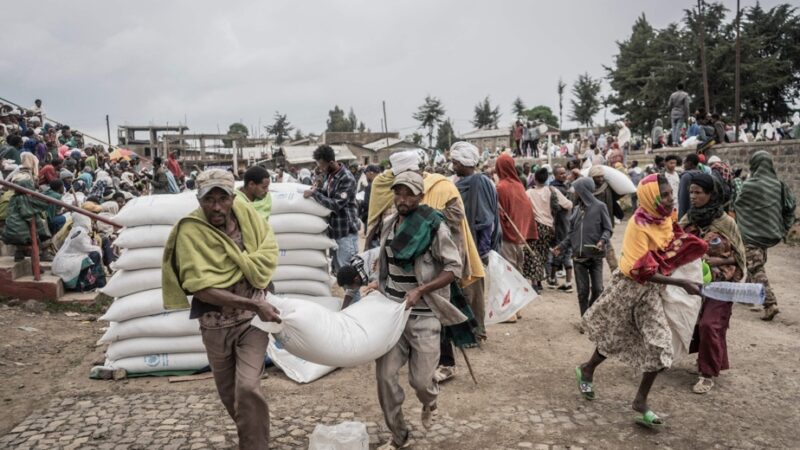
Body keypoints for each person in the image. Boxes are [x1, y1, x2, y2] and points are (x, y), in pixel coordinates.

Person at [576, 174, 707, 429]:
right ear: (650, 198)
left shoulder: (666, 218)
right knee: (614, 337)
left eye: (671, 193)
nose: (670, 200)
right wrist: (682, 283)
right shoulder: (638, 224)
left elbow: (671, 243)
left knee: (660, 345)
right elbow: (640, 270)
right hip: (628, 287)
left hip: (650, 292)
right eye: (664, 195)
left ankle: (640, 401)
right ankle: (588, 369)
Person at [162, 169, 280, 450]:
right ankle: (251, 438)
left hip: (252, 323)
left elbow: (267, 249)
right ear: (199, 199)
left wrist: (257, 302)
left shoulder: (247, 218)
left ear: (232, 197)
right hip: (215, 326)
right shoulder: (191, 231)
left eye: (223, 198)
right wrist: (255, 303)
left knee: (248, 388)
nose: (217, 207)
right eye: (209, 199)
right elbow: (200, 288)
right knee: (231, 398)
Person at [374, 171, 465, 450]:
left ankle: (429, 402)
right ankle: (399, 435)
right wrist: (375, 284)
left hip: (425, 315)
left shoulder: (434, 227)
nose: (402, 199)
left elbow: (454, 269)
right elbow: (386, 265)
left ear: (420, 197)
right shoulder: (388, 225)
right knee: (385, 377)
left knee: (422, 382)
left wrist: (421, 290)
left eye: (409, 193)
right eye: (398, 193)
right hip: (394, 313)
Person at [680, 173, 746, 394]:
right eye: (691, 192)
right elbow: (676, 244)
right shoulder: (689, 219)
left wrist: (715, 260)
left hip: (721, 283)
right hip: (696, 283)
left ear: (710, 194)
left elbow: (738, 256)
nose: (693, 196)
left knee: (710, 324)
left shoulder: (726, 222)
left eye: (698, 192)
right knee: (697, 324)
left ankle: (706, 375)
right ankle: (707, 360)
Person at [734, 151, 796, 321]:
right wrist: (783, 227)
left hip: (750, 233)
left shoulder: (748, 186)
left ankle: (770, 303)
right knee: (756, 261)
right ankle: (746, 295)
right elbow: (790, 206)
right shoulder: (779, 185)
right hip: (770, 233)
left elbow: (738, 205)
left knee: (756, 266)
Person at [554, 177, 612, 318]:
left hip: (595, 256)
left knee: (598, 289)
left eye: (577, 190)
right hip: (578, 257)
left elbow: (608, 229)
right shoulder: (576, 210)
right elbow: (571, 234)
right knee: (582, 291)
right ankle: (585, 319)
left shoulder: (600, 207)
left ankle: (590, 313)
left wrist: (602, 240)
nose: (575, 193)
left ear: (583, 191)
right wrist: (560, 247)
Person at [304, 145, 359, 274]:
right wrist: (316, 190)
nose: (320, 169)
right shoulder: (330, 175)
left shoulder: (347, 178)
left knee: (349, 274)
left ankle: (353, 295)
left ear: (331, 162)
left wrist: (314, 194)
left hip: (346, 234)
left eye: (322, 165)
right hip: (335, 232)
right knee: (339, 272)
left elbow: (336, 204)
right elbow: (327, 193)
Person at [495, 153, 538, 296]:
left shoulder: (500, 187)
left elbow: (499, 214)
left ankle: (512, 309)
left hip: (507, 236)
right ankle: (518, 306)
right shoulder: (519, 185)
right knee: (518, 271)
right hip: (521, 235)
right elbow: (526, 211)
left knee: (507, 272)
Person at [527, 168, 573, 291]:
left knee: (533, 254)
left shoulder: (529, 193)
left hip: (534, 227)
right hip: (549, 228)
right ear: (547, 179)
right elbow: (568, 204)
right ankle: (542, 280)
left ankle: (536, 284)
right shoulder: (552, 190)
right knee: (543, 254)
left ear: (534, 179)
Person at [589, 166, 622, 271]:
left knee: (606, 243)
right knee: (603, 245)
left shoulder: (607, 187)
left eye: (602, 177)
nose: (600, 179)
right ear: (592, 178)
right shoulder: (587, 189)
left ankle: (614, 268)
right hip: (592, 222)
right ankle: (613, 269)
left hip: (605, 221)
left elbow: (615, 199)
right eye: (597, 177)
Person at [548, 164, 575, 289]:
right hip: (559, 223)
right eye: (561, 174)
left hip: (567, 222)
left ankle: (554, 279)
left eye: (565, 173)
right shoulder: (554, 189)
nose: (564, 175)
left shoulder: (566, 186)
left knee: (560, 249)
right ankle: (563, 281)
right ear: (555, 175)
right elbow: (556, 208)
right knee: (562, 249)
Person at [677, 153, 701, 218]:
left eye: (685, 163)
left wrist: (681, 218)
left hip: (687, 215)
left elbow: (683, 199)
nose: (684, 165)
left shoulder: (686, 177)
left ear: (690, 163)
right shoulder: (701, 174)